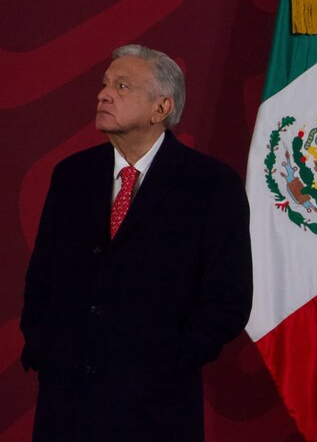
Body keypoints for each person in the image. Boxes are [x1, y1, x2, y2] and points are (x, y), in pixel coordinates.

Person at [20, 44, 253, 441]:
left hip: (155, 408)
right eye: (106, 84)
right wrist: (46, 346)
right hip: (67, 403)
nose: (103, 94)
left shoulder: (212, 187)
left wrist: (168, 360)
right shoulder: (72, 176)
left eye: (122, 86)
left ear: (161, 108)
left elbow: (229, 301)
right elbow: (41, 277)